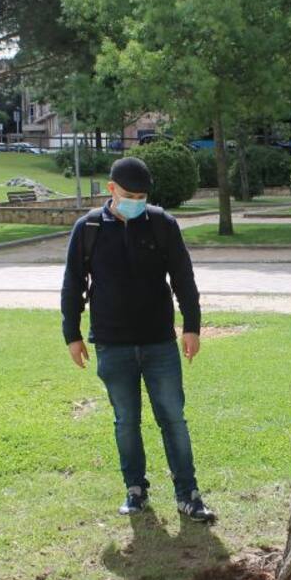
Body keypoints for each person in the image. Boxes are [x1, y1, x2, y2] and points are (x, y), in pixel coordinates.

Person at [61, 157, 215, 523]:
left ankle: (188, 493)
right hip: (112, 345)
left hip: (159, 342)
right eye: (129, 195)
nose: (136, 201)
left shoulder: (162, 224)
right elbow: (73, 285)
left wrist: (191, 326)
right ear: (110, 189)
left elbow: (183, 279)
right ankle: (135, 489)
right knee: (126, 421)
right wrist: (73, 334)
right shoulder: (89, 229)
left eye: (142, 196)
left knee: (173, 418)